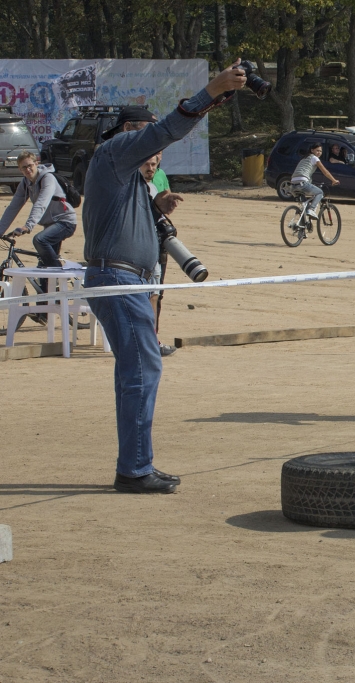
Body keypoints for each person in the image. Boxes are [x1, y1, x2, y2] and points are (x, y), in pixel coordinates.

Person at [83, 61, 248, 494]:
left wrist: (156, 208)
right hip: (118, 281)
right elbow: (166, 130)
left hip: (125, 281)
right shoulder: (114, 154)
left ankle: (133, 465)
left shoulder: (131, 178)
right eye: (147, 141)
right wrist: (209, 91)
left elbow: (122, 220)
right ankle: (135, 470)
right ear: (129, 135)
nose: (155, 154)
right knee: (142, 369)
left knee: (136, 371)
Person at [0, 151, 77, 282]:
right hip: (50, 225)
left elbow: (41, 203)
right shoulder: (25, 183)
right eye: (24, 167)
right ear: (20, 169)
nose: (28, 169)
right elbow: (13, 207)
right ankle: (49, 297)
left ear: (37, 163)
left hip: (65, 222)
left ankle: (61, 276)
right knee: (43, 272)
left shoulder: (48, 179)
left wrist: (28, 226)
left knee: (40, 240)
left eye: (30, 165)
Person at [140, 152, 175, 357]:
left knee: (154, 295)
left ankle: (153, 339)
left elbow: (164, 201)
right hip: (135, 250)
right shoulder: (131, 187)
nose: (150, 168)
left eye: (153, 164)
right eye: (146, 163)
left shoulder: (156, 182)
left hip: (154, 246)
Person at [291, 141, 339, 217]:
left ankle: (302, 225)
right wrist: (334, 180)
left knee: (304, 207)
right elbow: (325, 172)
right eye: (317, 150)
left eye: (320, 151)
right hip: (302, 183)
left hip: (293, 184)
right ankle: (312, 209)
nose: (319, 152)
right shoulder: (314, 158)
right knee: (320, 193)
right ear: (312, 150)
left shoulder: (304, 158)